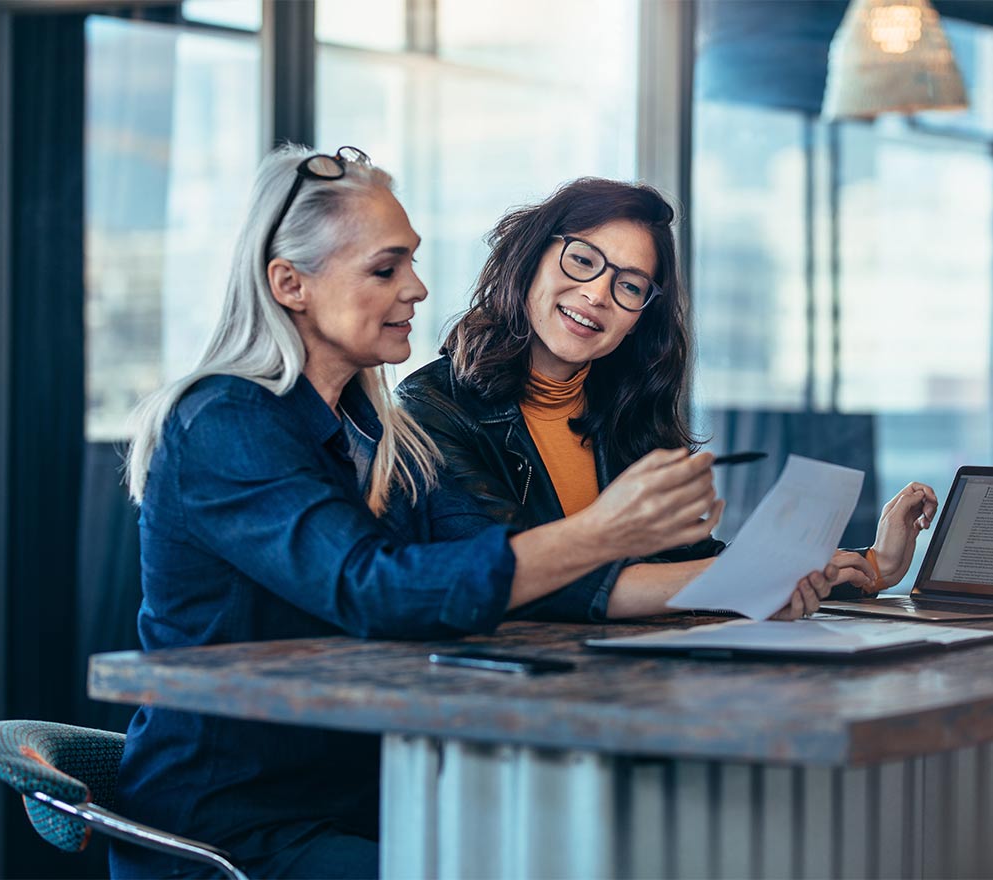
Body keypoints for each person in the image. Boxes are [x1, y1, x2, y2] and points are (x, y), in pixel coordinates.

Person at [115, 148, 836, 879]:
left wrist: (748, 584)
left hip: (364, 797)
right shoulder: (222, 422)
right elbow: (375, 590)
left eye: (413, 264)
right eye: (385, 269)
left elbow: (506, 568)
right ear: (290, 283)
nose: (418, 289)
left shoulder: (379, 431)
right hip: (235, 829)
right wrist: (603, 532)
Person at [397, 178, 938, 621]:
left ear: (639, 320)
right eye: (582, 260)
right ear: (531, 258)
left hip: (626, 685)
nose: (597, 294)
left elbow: (686, 563)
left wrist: (873, 565)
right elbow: (516, 579)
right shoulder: (430, 410)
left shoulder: (623, 411)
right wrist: (753, 579)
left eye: (629, 286)